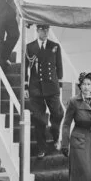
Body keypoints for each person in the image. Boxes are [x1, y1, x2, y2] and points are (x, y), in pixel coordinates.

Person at [24, 24, 64, 159]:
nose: (45, 32)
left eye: (47, 29)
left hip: (52, 87)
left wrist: (60, 84)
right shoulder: (30, 47)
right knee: (38, 120)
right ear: (37, 30)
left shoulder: (55, 46)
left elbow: (59, 66)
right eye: (42, 30)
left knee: (57, 114)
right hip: (36, 88)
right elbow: (25, 68)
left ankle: (55, 133)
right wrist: (25, 86)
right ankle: (42, 148)